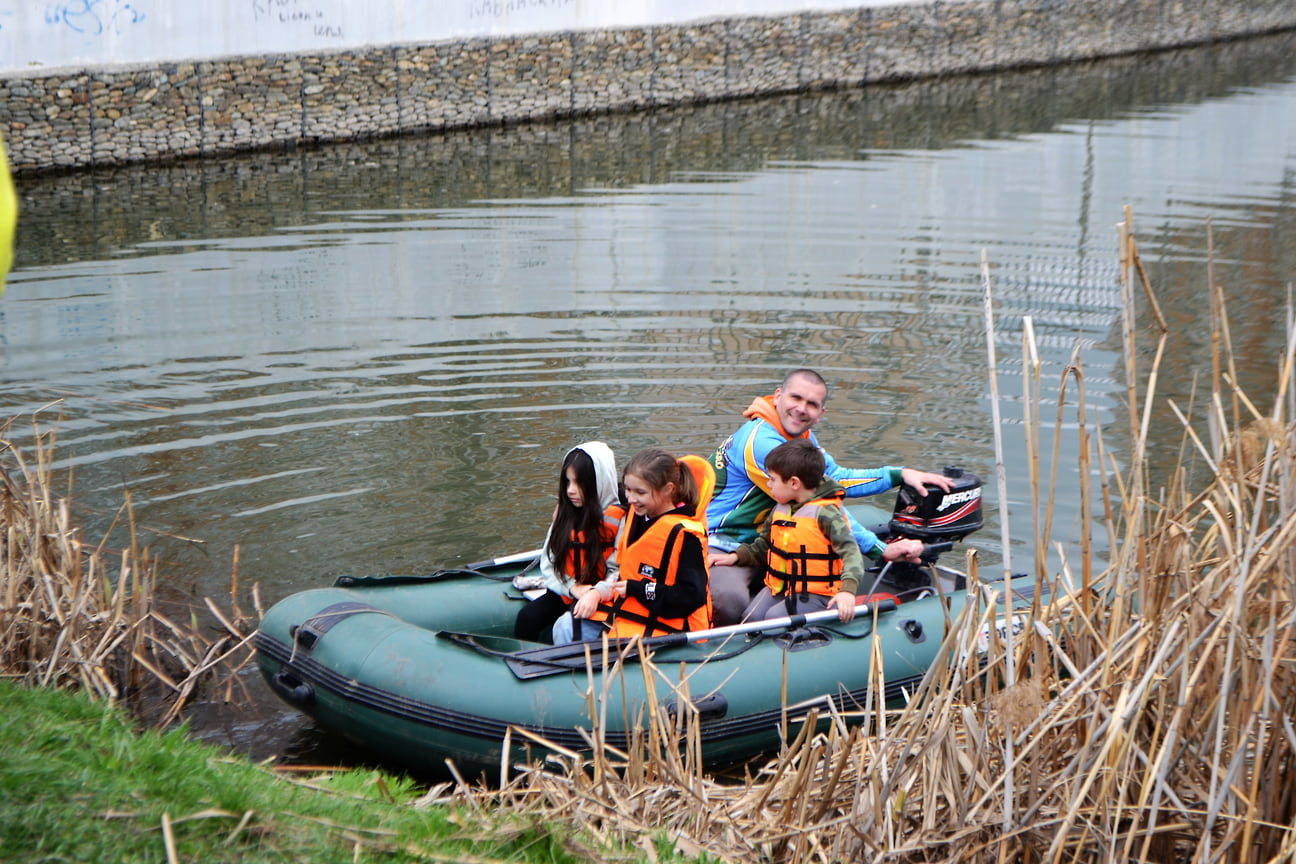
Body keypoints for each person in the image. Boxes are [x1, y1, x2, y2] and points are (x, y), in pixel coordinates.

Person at [705, 368, 954, 625]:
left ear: (820, 414)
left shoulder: (799, 435)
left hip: (768, 536)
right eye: (796, 398)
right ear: (778, 396)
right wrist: (880, 549)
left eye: (811, 404)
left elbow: (835, 478)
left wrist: (899, 475)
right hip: (724, 540)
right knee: (728, 599)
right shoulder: (762, 442)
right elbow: (821, 501)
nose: (801, 409)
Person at [711, 438, 921, 623]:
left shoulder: (826, 514)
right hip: (782, 587)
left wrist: (848, 591)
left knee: (773, 621)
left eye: (772, 479)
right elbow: (763, 546)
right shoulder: (781, 507)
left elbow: (851, 554)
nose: (768, 484)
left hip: (816, 594)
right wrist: (735, 557)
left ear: (794, 483)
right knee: (752, 618)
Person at [592, 448, 714, 639]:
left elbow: (691, 596)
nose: (631, 499)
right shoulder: (642, 511)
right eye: (628, 490)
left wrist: (638, 589)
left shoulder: (686, 536)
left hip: (669, 633)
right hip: (629, 617)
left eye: (640, 492)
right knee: (566, 625)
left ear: (668, 489)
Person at [513, 442, 625, 644]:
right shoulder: (565, 513)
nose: (571, 490)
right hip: (568, 589)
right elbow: (549, 561)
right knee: (527, 618)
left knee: (553, 637)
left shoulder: (619, 519)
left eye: (579, 483)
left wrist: (594, 593)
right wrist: (572, 588)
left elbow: (618, 570)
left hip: (602, 596)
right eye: (567, 482)